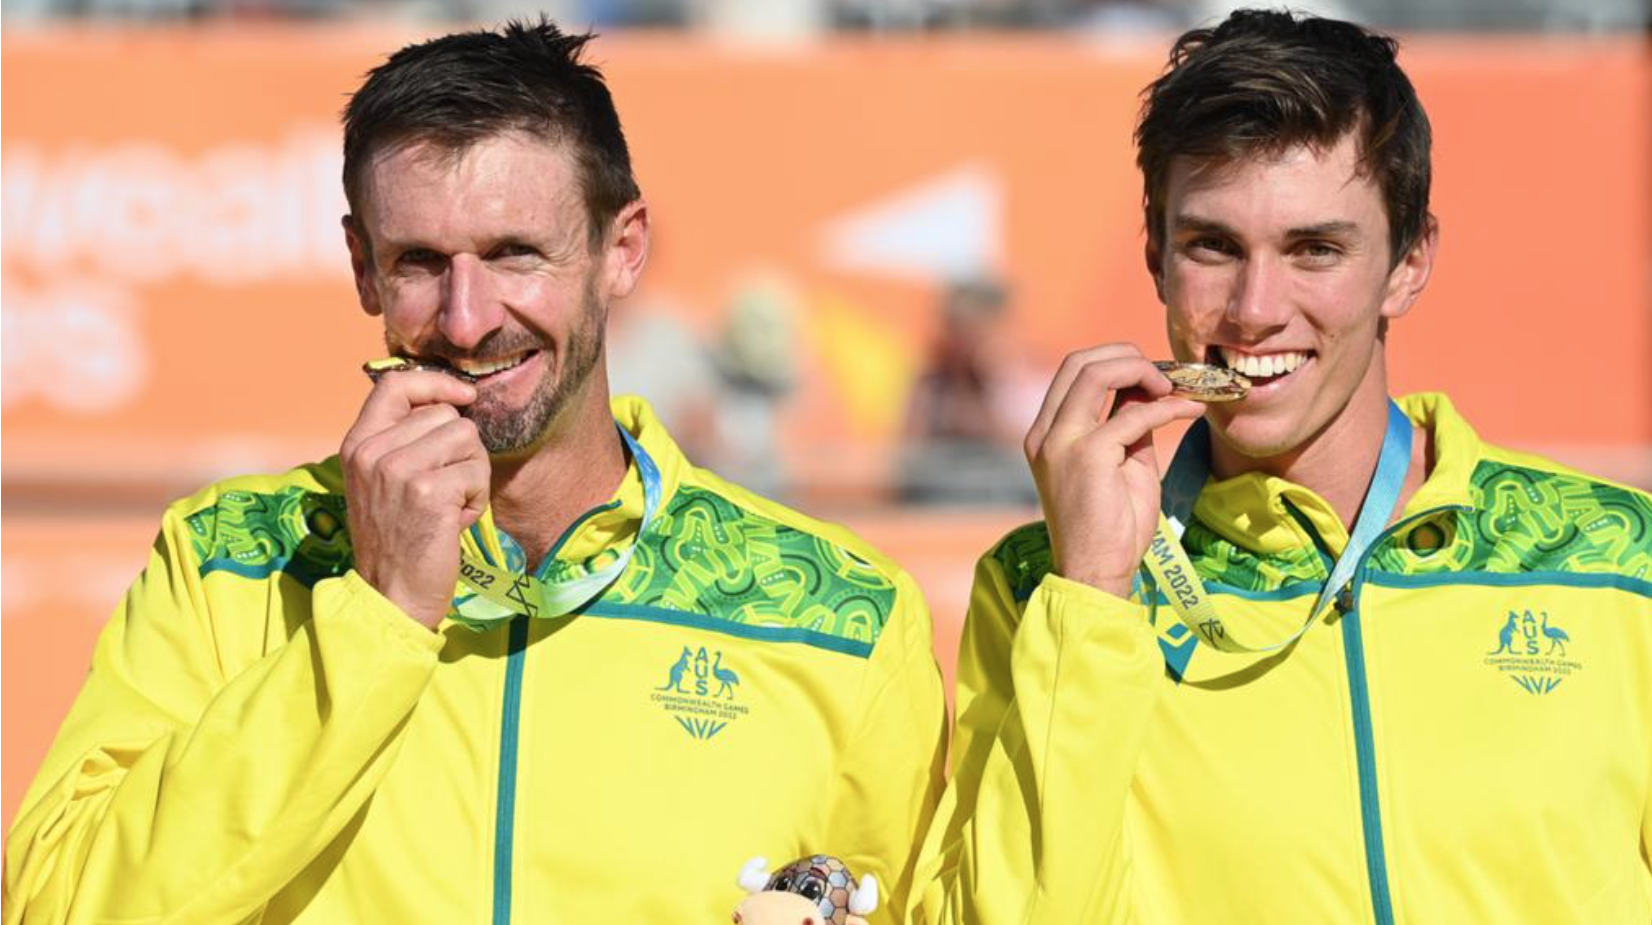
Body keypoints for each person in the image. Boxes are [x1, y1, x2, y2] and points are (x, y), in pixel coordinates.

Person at [4, 20, 946, 924]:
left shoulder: (840, 611)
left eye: (513, 254)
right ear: (362, 267)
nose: (465, 319)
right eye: (419, 262)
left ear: (622, 249)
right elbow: (56, 908)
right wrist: (377, 617)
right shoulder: (226, 559)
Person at [908, 10, 1652, 924]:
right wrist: (1094, 593)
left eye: (1316, 249)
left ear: (1409, 263)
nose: (1255, 309)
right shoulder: (1039, 591)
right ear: (1156, 255)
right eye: (1213, 246)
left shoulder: (1620, 561)